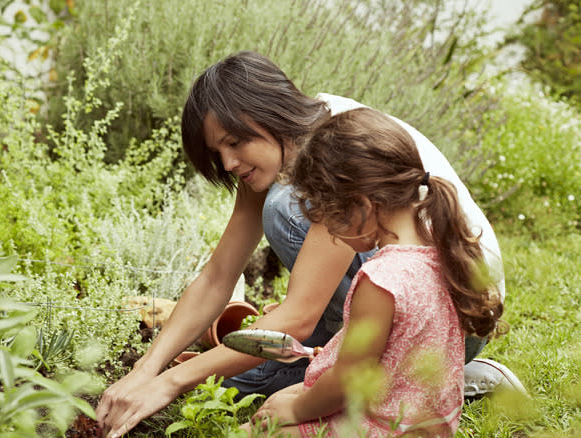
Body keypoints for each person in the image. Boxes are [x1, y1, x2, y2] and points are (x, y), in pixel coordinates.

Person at [95, 51, 522, 438]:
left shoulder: (337, 151)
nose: (227, 163)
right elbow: (217, 277)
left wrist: (170, 382)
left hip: (454, 320)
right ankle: (390, 374)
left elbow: (298, 319)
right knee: (235, 386)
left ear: (269, 114)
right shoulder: (277, 148)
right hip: (420, 305)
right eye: (217, 151)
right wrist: (146, 370)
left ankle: (441, 377)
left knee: (282, 209)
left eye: (234, 142)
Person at [243, 106, 506, 437]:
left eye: (330, 217)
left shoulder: (381, 280)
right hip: (427, 423)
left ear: (362, 206)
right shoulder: (442, 252)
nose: (334, 236)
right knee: (286, 399)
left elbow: (347, 382)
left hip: (384, 427)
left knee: (264, 427)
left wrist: (296, 409)